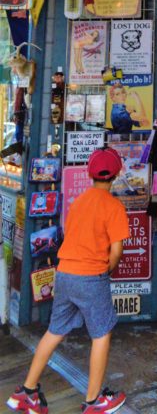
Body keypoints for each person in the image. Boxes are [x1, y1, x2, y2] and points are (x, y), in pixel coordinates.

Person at [7, 147, 129, 414]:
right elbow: (116, 251)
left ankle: (27, 392)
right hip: (91, 277)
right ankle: (94, 400)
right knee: (101, 333)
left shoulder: (79, 202)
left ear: (90, 174)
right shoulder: (114, 207)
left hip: (64, 274)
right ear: (117, 175)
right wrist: (108, 269)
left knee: (54, 331)